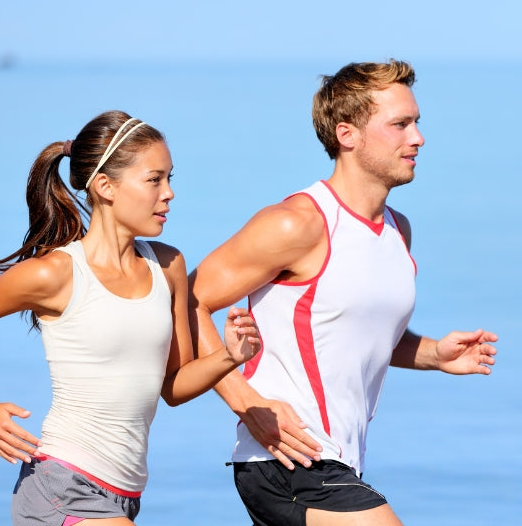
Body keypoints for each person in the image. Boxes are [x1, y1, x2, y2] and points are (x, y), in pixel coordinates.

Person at [188, 60, 498, 526]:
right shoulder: (298, 223)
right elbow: (186, 299)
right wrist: (245, 403)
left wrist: (434, 353)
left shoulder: (397, 231)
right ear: (347, 134)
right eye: (400, 124)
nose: (418, 138)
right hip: (287, 459)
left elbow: (345, 329)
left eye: (417, 123)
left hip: (340, 462)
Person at [0, 110, 260, 526]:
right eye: (154, 179)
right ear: (106, 186)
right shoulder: (57, 274)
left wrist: (230, 357)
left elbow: (173, 386)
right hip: (59, 486)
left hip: (124, 495)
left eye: (169, 178)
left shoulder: (168, 266)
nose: (169, 193)